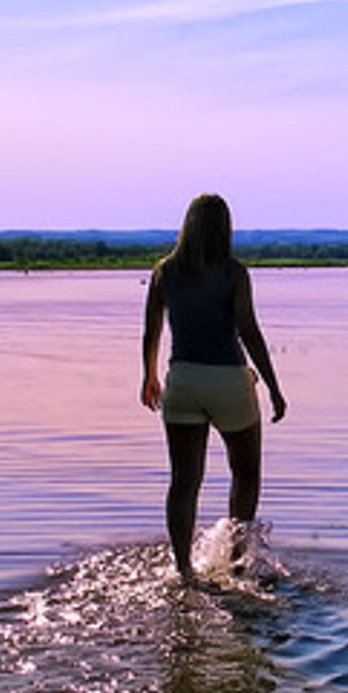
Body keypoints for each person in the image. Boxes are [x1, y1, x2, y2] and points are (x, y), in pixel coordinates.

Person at [141, 194, 287, 582]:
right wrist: (273, 385)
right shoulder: (233, 273)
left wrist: (149, 376)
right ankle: (239, 563)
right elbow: (248, 330)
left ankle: (183, 569)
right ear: (225, 228)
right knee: (246, 474)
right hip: (228, 381)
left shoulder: (163, 272)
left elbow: (151, 330)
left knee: (184, 482)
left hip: (183, 380)